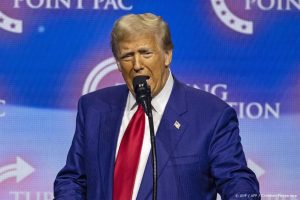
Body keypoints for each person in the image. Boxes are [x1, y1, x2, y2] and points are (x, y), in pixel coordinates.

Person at [54, 13, 260, 200]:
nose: (137, 64)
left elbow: (237, 181)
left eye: (146, 53)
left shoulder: (211, 116)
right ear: (117, 63)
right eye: (127, 56)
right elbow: (72, 179)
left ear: (167, 55)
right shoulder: (94, 108)